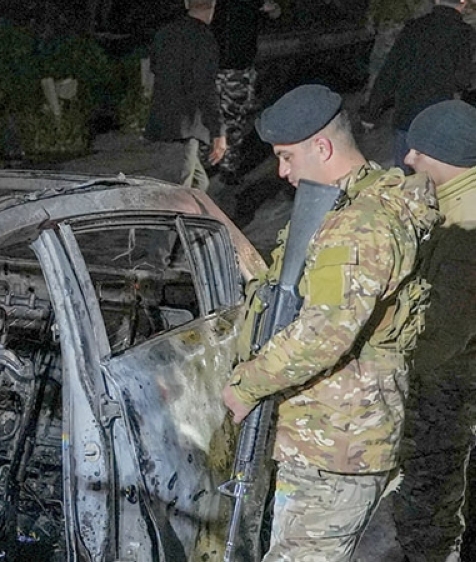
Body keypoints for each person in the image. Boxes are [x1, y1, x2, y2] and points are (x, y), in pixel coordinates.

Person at [221, 84, 441, 561]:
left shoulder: (359, 223)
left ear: (321, 147)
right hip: (328, 435)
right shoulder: (353, 204)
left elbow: (324, 332)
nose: (282, 172)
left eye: (287, 157)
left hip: (336, 444)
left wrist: (246, 386)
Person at [390, 99, 476, 562]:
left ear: (446, 155)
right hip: (452, 379)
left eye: (419, 152)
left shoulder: (464, 224)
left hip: (447, 387)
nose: (409, 159)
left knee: (429, 506)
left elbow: (447, 330)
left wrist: (399, 371)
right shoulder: (456, 201)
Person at [361, 0, 476, 172]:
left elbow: (389, 71)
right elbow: (464, 79)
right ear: (463, 3)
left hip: (407, 115)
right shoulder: (465, 33)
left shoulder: (413, 27)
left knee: (404, 175)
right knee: (436, 177)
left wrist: (371, 113)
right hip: (439, 119)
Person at [144, 0, 227, 192]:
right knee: (181, 192)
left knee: (199, 185)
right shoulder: (204, 38)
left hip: (162, 119)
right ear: (212, 6)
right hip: (185, 125)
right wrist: (218, 131)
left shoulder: (165, 33)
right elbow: (205, 87)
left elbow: (155, 68)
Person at [211, 0, 281, 185]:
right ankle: (220, 164)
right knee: (224, 119)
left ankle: (223, 164)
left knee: (229, 118)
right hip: (223, 67)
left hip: (230, 66)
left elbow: (273, 13)